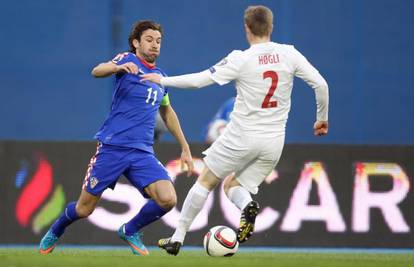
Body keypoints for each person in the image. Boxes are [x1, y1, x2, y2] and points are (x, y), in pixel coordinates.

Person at [141, 5, 329, 256]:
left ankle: (177, 238)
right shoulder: (289, 54)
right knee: (232, 185)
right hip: (273, 142)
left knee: (206, 181)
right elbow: (321, 84)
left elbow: (199, 81)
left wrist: (162, 80)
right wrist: (321, 119)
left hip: (241, 136)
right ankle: (248, 205)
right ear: (271, 27)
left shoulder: (241, 59)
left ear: (246, 29)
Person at [39, 20, 194, 256]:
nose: (155, 45)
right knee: (84, 209)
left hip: (142, 151)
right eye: (149, 40)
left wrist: (184, 146)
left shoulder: (160, 77)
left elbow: (168, 112)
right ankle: (56, 229)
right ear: (136, 43)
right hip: (113, 147)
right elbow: (97, 70)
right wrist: (116, 68)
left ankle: (130, 229)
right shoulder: (128, 60)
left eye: (159, 41)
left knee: (168, 199)